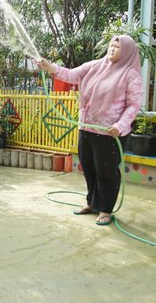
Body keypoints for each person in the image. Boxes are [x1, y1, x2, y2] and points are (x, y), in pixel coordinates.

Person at [35, 35, 143, 226]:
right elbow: (70, 74)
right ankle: (91, 204)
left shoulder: (130, 75)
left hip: (109, 132)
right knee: (89, 168)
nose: (112, 48)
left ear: (126, 52)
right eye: (111, 45)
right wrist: (49, 66)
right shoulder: (94, 66)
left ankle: (105, 210)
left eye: (117, 46)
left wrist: (120, 125)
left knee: (106, 172)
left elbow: (133, 106)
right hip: (86, 127)